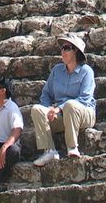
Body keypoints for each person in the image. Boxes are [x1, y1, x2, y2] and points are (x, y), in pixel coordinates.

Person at [31, 33, 96, 166]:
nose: (62, 51)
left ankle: (72, 147)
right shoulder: (57, 70)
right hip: (61, 115)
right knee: (36, 109)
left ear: (76, 51)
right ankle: (49, 150)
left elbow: (84, 99)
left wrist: (59, 108)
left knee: (71, 105)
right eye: (62, 48)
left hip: (83, 113)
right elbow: (46, 93)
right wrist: (48, 107)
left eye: (66, 48)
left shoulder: (86, 71)